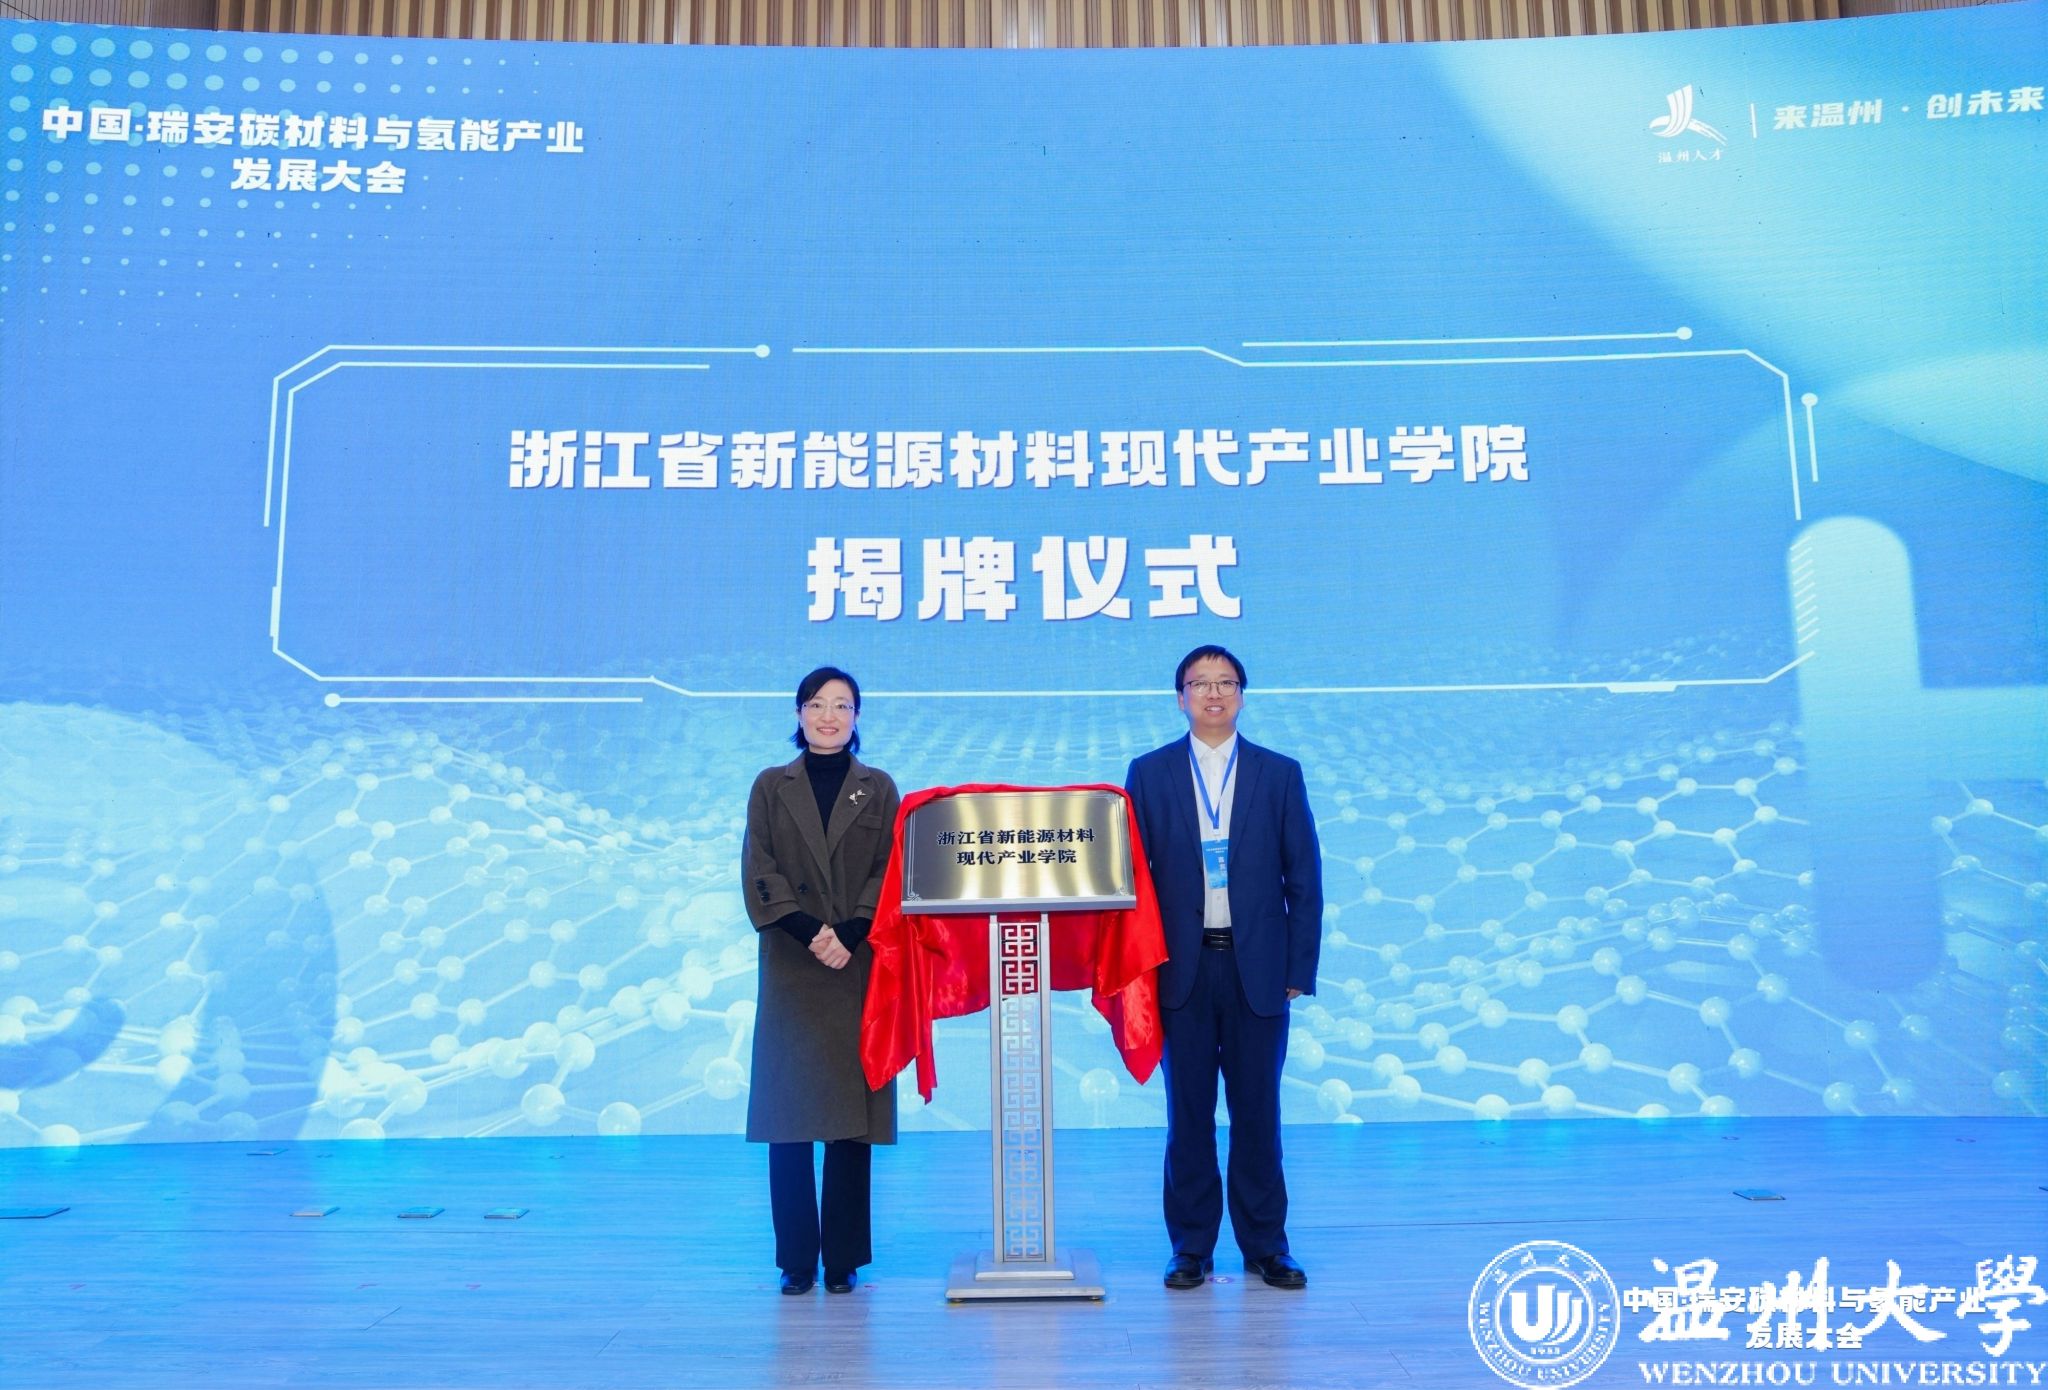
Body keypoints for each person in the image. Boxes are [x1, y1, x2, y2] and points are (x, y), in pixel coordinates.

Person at [1124, 644, 1323, 1291]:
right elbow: (1133, 878)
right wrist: (1138, 968)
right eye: (1200, 683)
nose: (1213, 693)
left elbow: (1304, 878)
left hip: (1257, 970)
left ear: (1241, 694)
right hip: (1179, 970)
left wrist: (1299, 967)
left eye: (1225, 683)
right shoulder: (1149, 773)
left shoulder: (1278, 773)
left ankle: (1267, 1246)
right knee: (1187, 1115)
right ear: (1180, 697)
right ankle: (1191, 1247)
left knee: (1258, 1114)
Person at [742, 665, 901, 1295]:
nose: (828, 716)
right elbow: (760, 870)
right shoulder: (770, 785)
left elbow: (890, 869)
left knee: (849, 1122)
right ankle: (796, 1260)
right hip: (793, 961)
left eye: (841, 705)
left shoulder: (878, 787)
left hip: (857, 963)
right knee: (789, 1119)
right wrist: (812, 931)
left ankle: (843, 1258)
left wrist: (853, 932)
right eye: (816, 704)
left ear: (857, 716)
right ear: (798, 713)